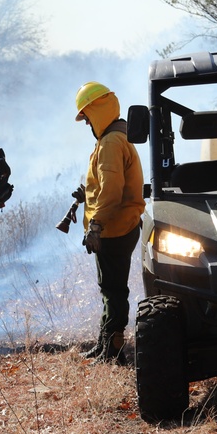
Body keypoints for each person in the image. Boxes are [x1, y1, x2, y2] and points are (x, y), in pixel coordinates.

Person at [74, 82, 145, 364]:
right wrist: (87, 193)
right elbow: (107, 184)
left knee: (113, 290)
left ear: (97, 111)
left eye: (87, 117)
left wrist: (96, 226)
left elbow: (112, 192)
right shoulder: (116, 138)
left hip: (114, 229)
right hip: (120, 226)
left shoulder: (110, 143)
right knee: (110, 288)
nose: (87, 123)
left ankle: (113, 351)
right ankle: (105, 342)